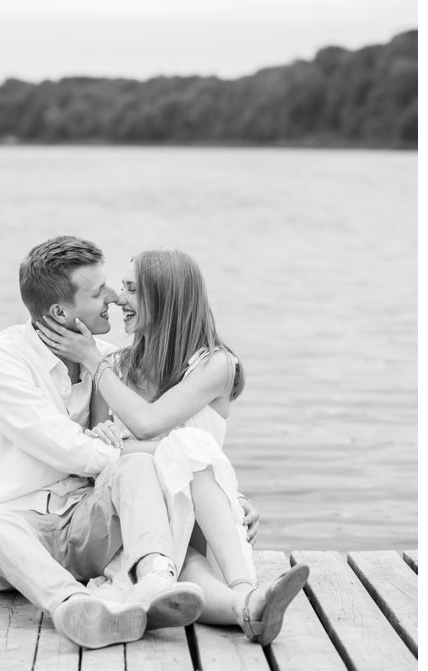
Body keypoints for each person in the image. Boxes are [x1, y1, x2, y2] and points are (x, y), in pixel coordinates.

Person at [0, 236, 220, 649]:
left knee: (138, 467)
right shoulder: (0, 361)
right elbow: (68, 448)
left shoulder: (104, 361)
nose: (113, 297)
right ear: (59, 312)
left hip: (82, 521)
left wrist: (221, 491)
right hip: (14, 532)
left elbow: (169, 440)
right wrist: (135, 451)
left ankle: (155, 582)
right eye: (97, 292)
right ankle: (74, 606)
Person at [36, 248, 307, 645]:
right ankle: (248, 604)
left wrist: (95, 364)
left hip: (207, 519)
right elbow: (95, 458)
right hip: (146, 519)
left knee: (191, 448)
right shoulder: (118, 369)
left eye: (131, 289)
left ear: (164, 299)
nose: (117, 298)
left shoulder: (214, 365)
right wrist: (102, 423)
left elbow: (150, 424)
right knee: (182, 568)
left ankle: (242, 581)